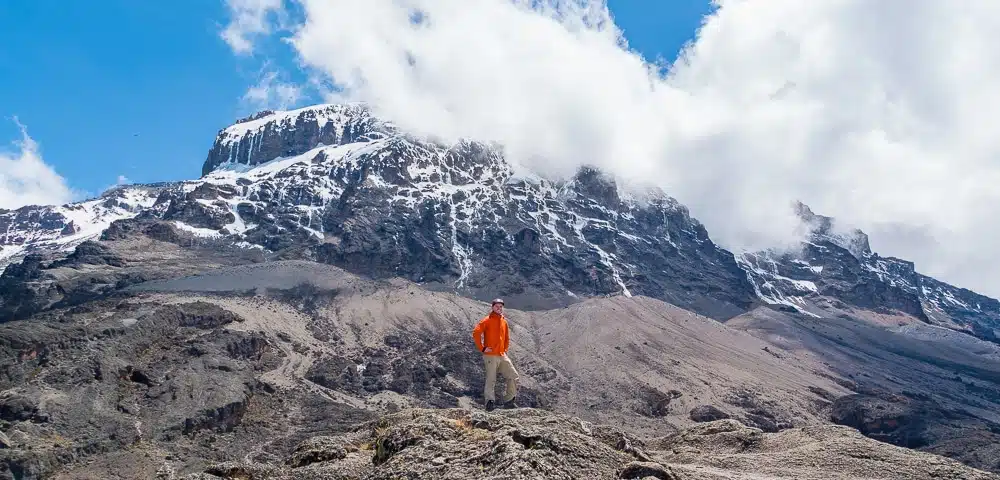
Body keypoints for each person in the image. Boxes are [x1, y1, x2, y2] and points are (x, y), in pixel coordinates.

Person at [471, 298, 519, 411]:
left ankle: (509, 400)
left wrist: (505, 349)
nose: (499, 308)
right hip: (490, 355)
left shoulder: (504, 321)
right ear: (492, 307)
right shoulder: (486, 320)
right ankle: (489, 402)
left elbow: (506, 337)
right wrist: (482, 348)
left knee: (513, 376)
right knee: (491, 379)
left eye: (501, 307)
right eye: (497, 306)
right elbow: (476, 333)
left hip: (502, 354)